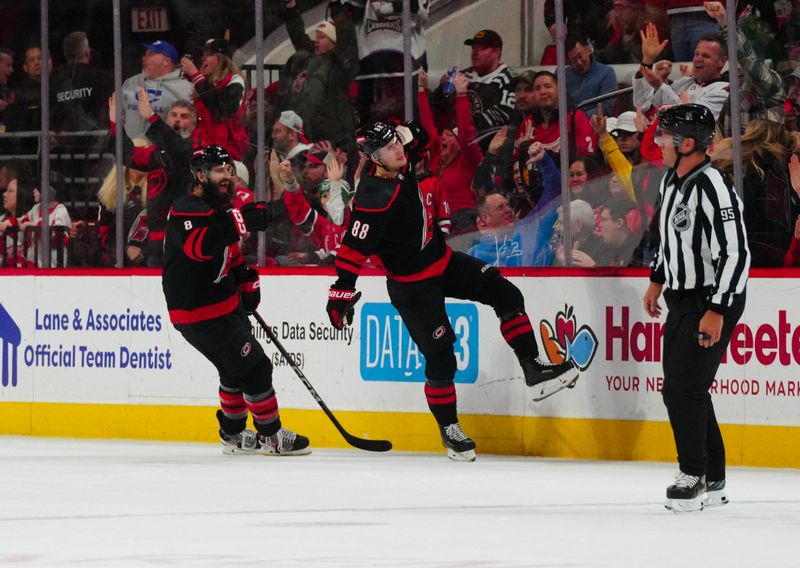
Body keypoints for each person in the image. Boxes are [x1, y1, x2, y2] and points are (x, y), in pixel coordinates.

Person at [326, 122, 577, 461]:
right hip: (412, 287)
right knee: (442, 355)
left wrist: (405, 130)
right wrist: (340, 293)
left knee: (506, 294)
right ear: (374, 157)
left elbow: (423, 136)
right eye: (388, 148)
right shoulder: (373, 196)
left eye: (396, 143)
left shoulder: (399, 162)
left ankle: (533, 367)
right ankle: (449, 428)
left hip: (443, 263)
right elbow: (353, 248)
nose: (398, 150)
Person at [163, 144, 311, 455]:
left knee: (234, 370)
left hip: (221, 305)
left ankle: (232, 434)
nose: (228, 176)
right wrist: (240, 221)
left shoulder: (220, 211)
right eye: (219, 171)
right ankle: (271, 437)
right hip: (199, 312)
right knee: (256, 368)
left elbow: (228, 254)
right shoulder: (187, 210)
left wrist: (244, 278)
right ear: (201, 176)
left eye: (230, 170)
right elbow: (199, 248)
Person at [642, 104, 750, 513]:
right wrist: (657, 278)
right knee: (687, 387)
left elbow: (736, 254)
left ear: (687, 143)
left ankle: (694, 474)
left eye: (663, 135)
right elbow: (669, 240)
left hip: (712, 298)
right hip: (683, 298)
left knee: (682, 389)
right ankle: (715, 476)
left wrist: (718, 309)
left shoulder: (714, 188)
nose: (656, 142)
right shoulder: (671, 180)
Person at [109, 90, 196, 267]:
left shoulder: (195, 149)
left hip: (185, 240)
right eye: (173, 115)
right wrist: (116, 123)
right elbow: (127, 155)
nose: (178, 120)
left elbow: (177, 148)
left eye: (184, 116)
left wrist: (150, 115)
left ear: (194, 124)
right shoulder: (156, 154)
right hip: (157, 245)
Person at [279, 0, 359, 142]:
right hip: (305, 129)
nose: (316, 40)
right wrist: (291, 7)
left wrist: (336, 8)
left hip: (331, 135)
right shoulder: (310, 58)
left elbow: (347, 40)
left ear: (334, 43)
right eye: (316, 37)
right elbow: (298, 36)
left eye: (322, 37)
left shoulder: (339, 65)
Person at [634, 24, 729, 119]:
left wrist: (659, 85)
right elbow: (643, 106)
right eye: (696, 54)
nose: (698, 59)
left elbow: (695, 119)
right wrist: (648, 60)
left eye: (705, 56)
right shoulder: (685, 82)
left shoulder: (722, 91)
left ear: (721, 61)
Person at [181, 38, 248, 160]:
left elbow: (221, 109)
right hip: (202, 149)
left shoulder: (234, 80)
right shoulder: (201, 84)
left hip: (227, 154)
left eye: (210, 55)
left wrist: (196, 76)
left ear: (222, 59)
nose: (203, 59)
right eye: (203, 55)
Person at [121, 40, 193, 140]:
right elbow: (120, 116)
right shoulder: (131, 83)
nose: (143, 58)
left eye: (150, 54)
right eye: (145, 54)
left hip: (165, 151)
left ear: (166, 61)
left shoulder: (185, 88)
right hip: (131, 152)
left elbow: (188, 125)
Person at [50, 31, 113, 133]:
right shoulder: (103, 78)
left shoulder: (53, 83)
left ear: (65, 54)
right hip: (97, 142)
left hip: (65, 143)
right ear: (87, 52)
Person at [565, 36, 619, 116]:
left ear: (589, 50)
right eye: (574, 60)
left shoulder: (606, 73)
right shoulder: (563, 75)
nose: (579, 62)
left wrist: (578, 118)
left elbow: (605, 108)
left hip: (594, 122)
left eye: (580, 56)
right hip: (567, 122)